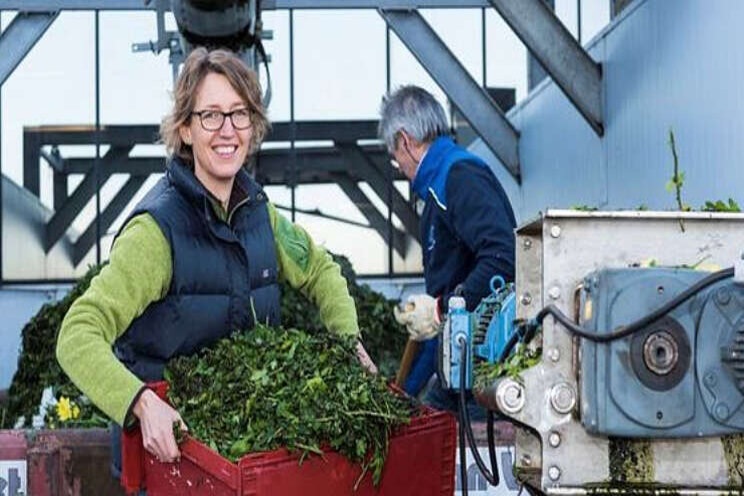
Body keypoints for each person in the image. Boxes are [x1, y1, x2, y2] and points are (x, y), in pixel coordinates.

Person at [56, 47, 375, 475]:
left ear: (253, 125)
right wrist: (139, 401)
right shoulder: (156, 233)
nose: (227, 130)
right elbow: (77, 333)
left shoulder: (262, 217)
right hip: (171, 462)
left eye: (239, 113)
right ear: (185, 129)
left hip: (248, 454)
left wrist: (349, 343)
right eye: (210, 115)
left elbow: (321, 270)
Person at [379, 85, 516, 418]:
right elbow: (437, 320)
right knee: (427, 418)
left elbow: (504, 258)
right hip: (457, 366)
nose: (397, 165)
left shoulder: (460, 176)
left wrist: (441, 309)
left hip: (484, 368)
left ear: (405, 141)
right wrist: (403, 394)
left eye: (393, 154)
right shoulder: (436, 194)